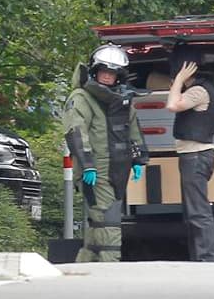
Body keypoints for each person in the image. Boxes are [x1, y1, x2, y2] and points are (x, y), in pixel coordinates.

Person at [62, 44, 149, 262]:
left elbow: (132, 129)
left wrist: (138, 158)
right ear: (94, 71)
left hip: (119, 167)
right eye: (104, 71)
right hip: (97, 169)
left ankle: (87, 264)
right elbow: (75, 131)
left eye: (112, 73)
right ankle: (112, 267)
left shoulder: (122, 101)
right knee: (108, 219)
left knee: (98, 221)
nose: (107, 77)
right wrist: (87, 164)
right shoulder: (81, 97)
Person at [166, 47, 214, 262]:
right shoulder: (207, 86)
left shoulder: (198, 91)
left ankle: (206, 259)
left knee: (198, 211)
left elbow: (172, 105)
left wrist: (180, 79)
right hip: (196, 155)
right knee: (194, 211)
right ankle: (200, 258)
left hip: (196, 155)